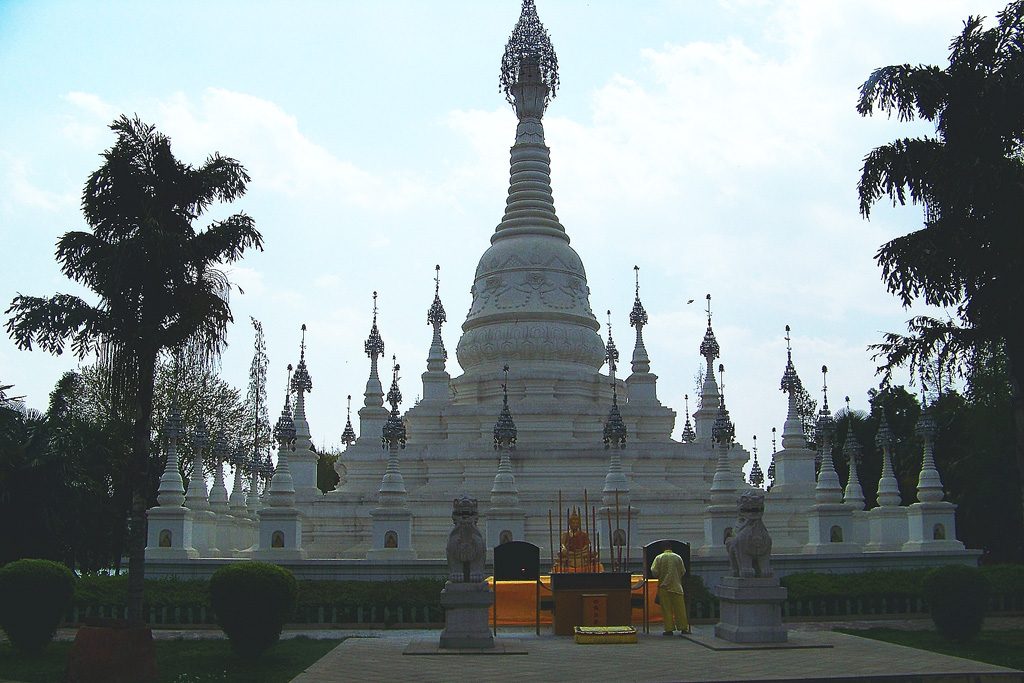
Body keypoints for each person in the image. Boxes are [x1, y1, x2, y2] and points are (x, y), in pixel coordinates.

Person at [651, 541, 688, 635]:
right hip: (677, 586)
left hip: (664, 587)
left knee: (666, 609)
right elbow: (683, 571)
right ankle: (683, 628)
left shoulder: (659, 558)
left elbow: (654, 572)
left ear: (662, 548)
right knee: (680, 608)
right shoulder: (677, 557)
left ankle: (669, 629)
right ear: (671, 547)